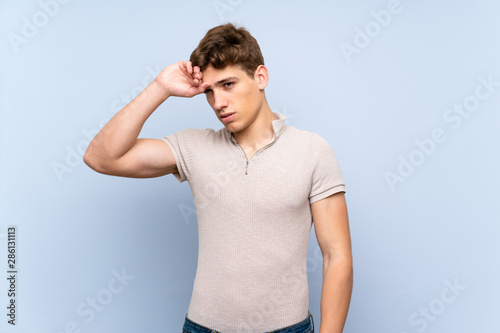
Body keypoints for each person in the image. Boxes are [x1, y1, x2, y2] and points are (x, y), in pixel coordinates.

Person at [84, 23, 353, 333]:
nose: (217, 102)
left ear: (260, 77)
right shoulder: (195, 146)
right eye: (209, 91)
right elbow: (101, 157)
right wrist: (160, 87)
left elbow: (337, 257)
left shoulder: (312, 151)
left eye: (228, 84)